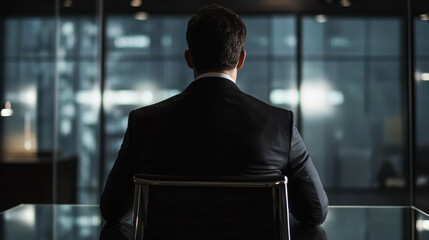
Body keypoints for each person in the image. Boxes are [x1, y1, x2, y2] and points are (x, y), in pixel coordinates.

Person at [100, 4, 328, 226]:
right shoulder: (279, 125)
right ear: (241, 59)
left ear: (189, 58)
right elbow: (315, 211)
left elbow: (113, 212)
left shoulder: (143, 123)